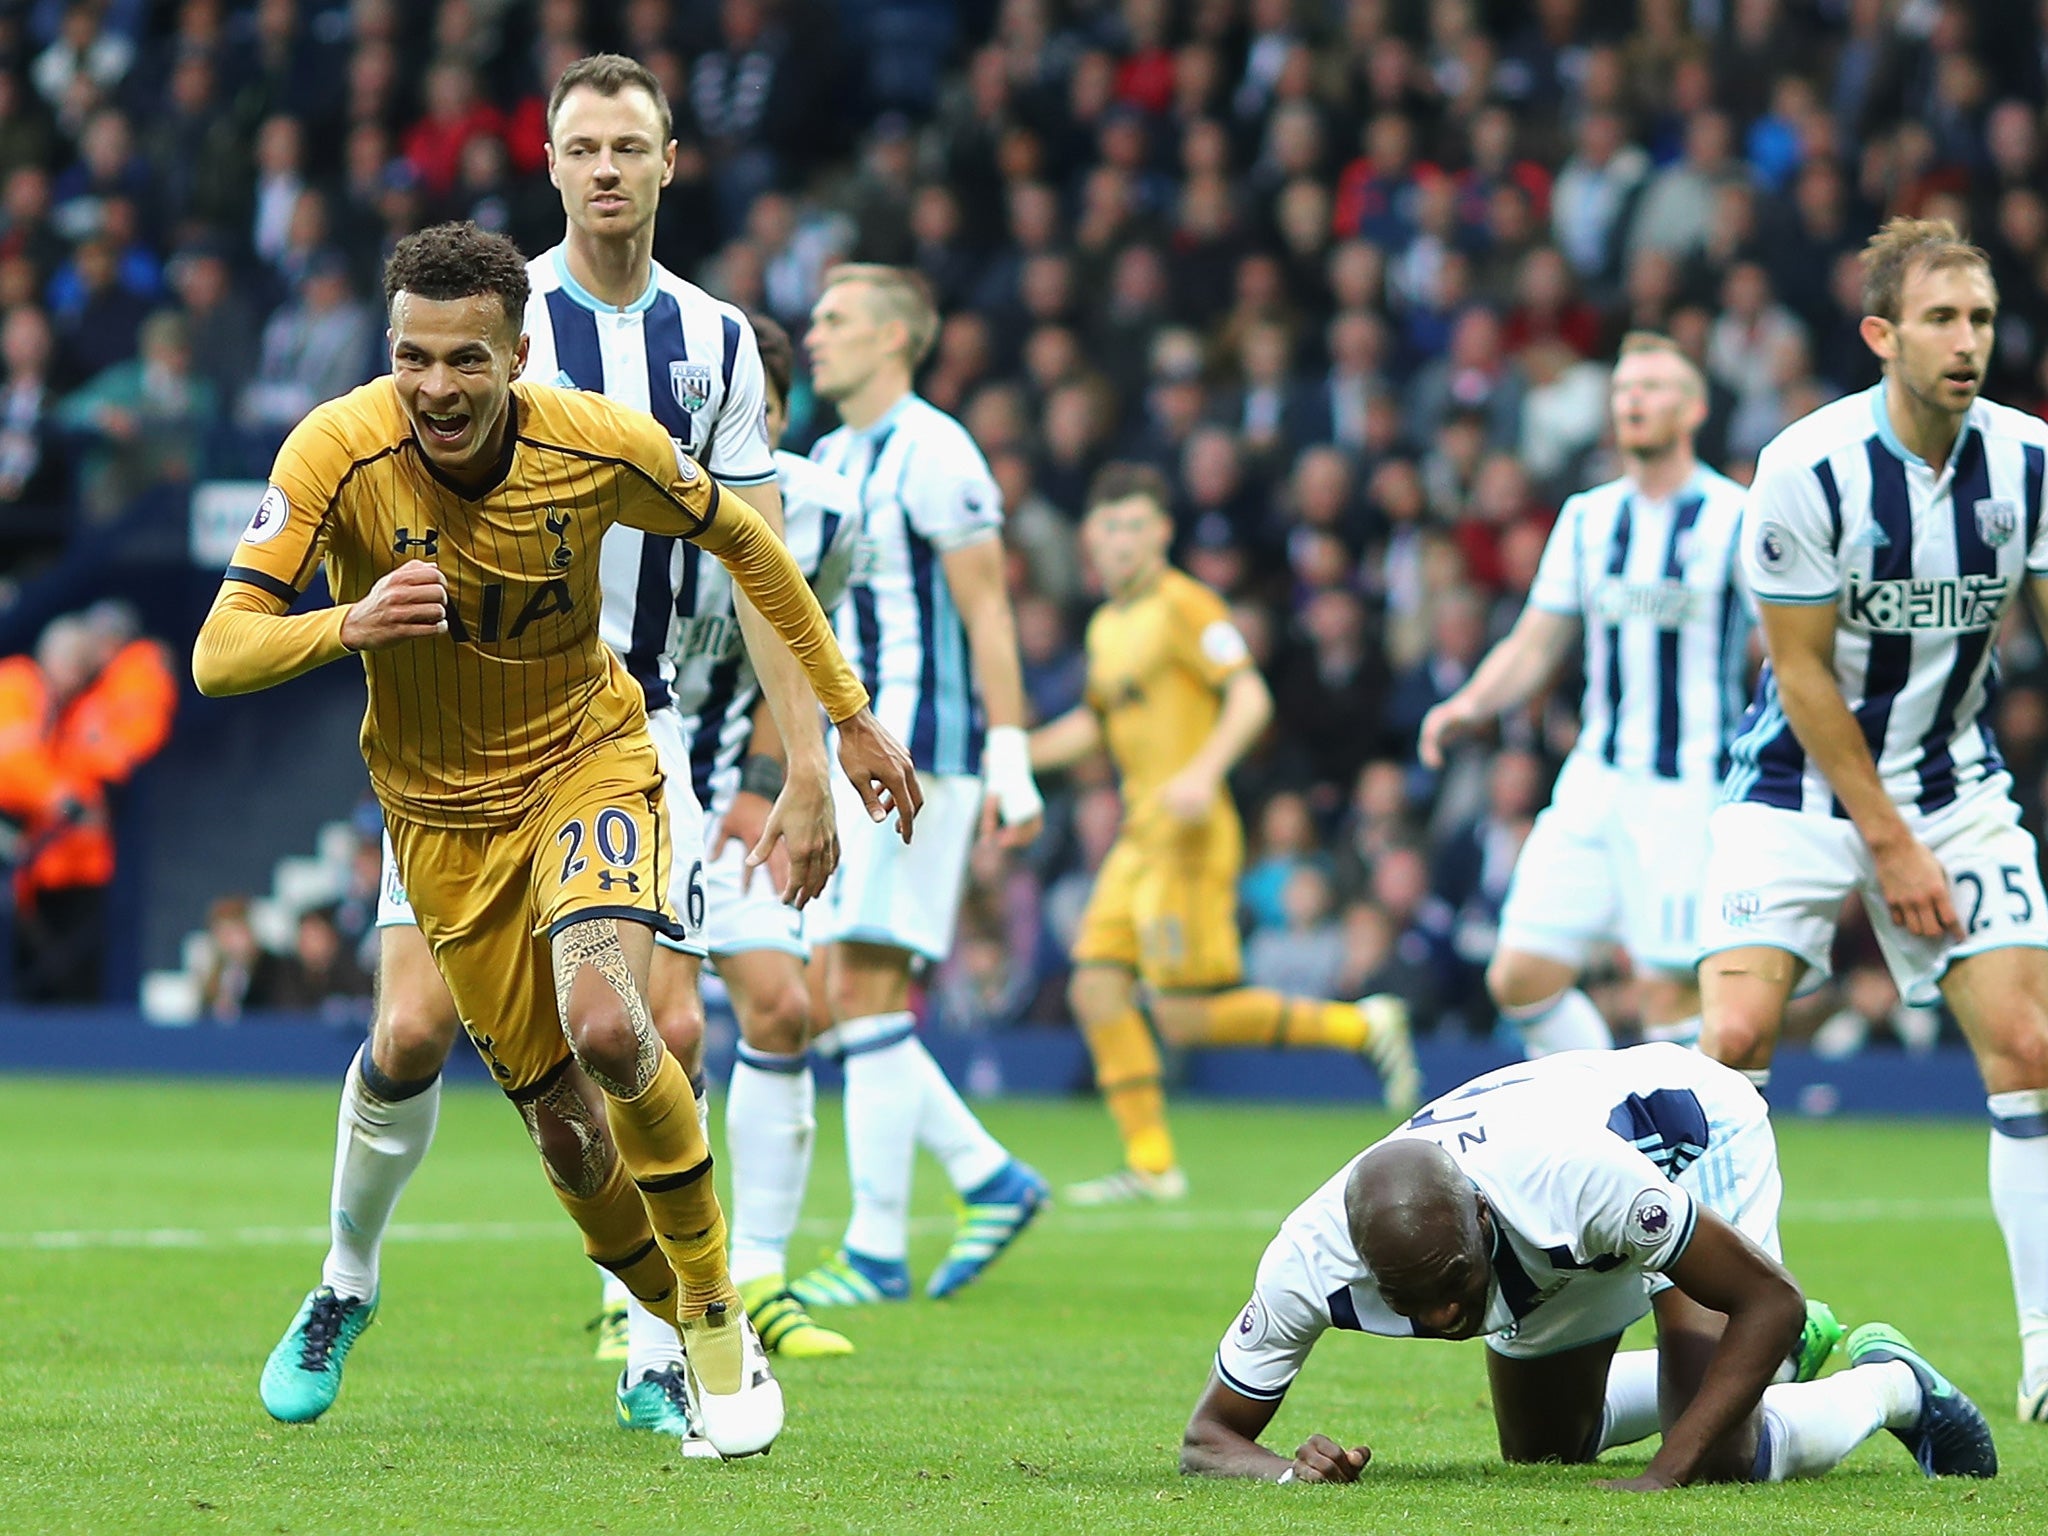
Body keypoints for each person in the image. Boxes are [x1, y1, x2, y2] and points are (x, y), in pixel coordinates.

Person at [193, 219, 922, 1462]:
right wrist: (348, 625)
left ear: (518, 353)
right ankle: (384, 1283)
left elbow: (749, 539)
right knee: (559, 1128)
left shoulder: (591, 443)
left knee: (608, 1018)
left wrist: (843, 721)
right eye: (413, 357)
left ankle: (710, 1308)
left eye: (465, 360)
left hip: (587, 760)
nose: (436, 386)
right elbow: (219, 654)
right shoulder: (336, 447)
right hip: (435, 818)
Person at [1696, 217, 2048, 1426]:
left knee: (2030, 1051)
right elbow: (1797, 673)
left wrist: (1918, 828)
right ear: (1879, 335)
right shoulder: (1805, 464)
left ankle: (2046, 1352)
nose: (1967, 343)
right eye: (1941, 320)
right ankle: (1761, 1338)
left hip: (1952, 786)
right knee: (1731, 1041)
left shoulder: (2030, 463)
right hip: (1795, 785)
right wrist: (1884, 843)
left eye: (1982, 319)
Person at [1181, 1044, 1997, 1489]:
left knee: (1716, 1454)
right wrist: (1289, 1473)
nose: (1439, 1320)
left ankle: (1891, 1387)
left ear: (1481, 1218)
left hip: (1687, 1141)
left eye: (1453, 1288)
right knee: (1543, 1450)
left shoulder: (1572, 1183)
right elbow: (1208, 1439)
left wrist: (1662, 1474)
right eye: (1410, 1300)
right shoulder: (1307, 1258)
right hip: (1553, 1228)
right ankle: (1752, 1373)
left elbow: (1769, 1299)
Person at [1028, 463, 1421, 1206]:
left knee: (1180, 1013)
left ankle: (1360, 1026)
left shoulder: (1186, 604)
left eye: (1133, 526)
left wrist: (1203, 773)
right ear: (1089, 537)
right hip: (1140, 837)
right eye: (1107, 527)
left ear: (1162, 533)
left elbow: (1249, 695)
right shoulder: (1108, 624)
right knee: (1096, 988)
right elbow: (1094, 725)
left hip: (1190, 833)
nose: (1118, 541)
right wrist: (1015, 753)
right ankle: (1150, 1163)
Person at [790, 263, 1050, 1309]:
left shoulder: (938, 451)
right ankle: (986, 1179)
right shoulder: (823, 457)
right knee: (837, 992)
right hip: (851, 746)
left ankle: (877, 1248)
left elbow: (988, 611)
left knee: (858, 986)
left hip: (920, 748)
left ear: (896, 339)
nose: (814, 335)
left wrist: (1012, 753)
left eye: (836, 319)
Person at [1420, 333, 1751, 1056]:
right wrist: (1469, 703)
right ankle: (1606, 1118)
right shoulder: (1588, 517)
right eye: (1625, 388)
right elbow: (1536, 641)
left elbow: (1789, 649)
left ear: (1692, 408)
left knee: (1667, 987)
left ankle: (1683, 1159)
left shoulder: (1737, 517)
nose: (1634, 399)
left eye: (1654, 387)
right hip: (1595, 779)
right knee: (1520, 975)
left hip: (1686, 786)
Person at [642, 311, 867, 1358]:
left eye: (764, 422)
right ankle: (638, 1293)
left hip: (732, 791)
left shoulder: (822, 519)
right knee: (645, 1033)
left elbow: (797, 651)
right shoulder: (628, 484)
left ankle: (762, 1277)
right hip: (620, 780)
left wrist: (772, 779)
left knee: (782, 1007)